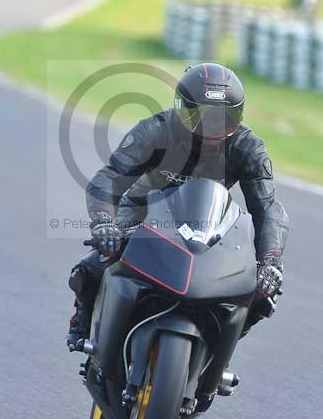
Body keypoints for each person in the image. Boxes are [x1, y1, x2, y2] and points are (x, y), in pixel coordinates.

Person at [66, 63, 289, 350]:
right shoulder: (156, 130)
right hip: (143, 212)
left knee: (261, 292)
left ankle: (218, 348)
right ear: (181, 107)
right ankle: (83, 318)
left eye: (223, 117)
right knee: (93, 265)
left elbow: (267, 207)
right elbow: (109, 178)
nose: (210, 126)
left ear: (238, 115)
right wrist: (103, 223)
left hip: (210, 222)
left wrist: (270, 259)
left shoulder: (248, 147)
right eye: (200, 114)